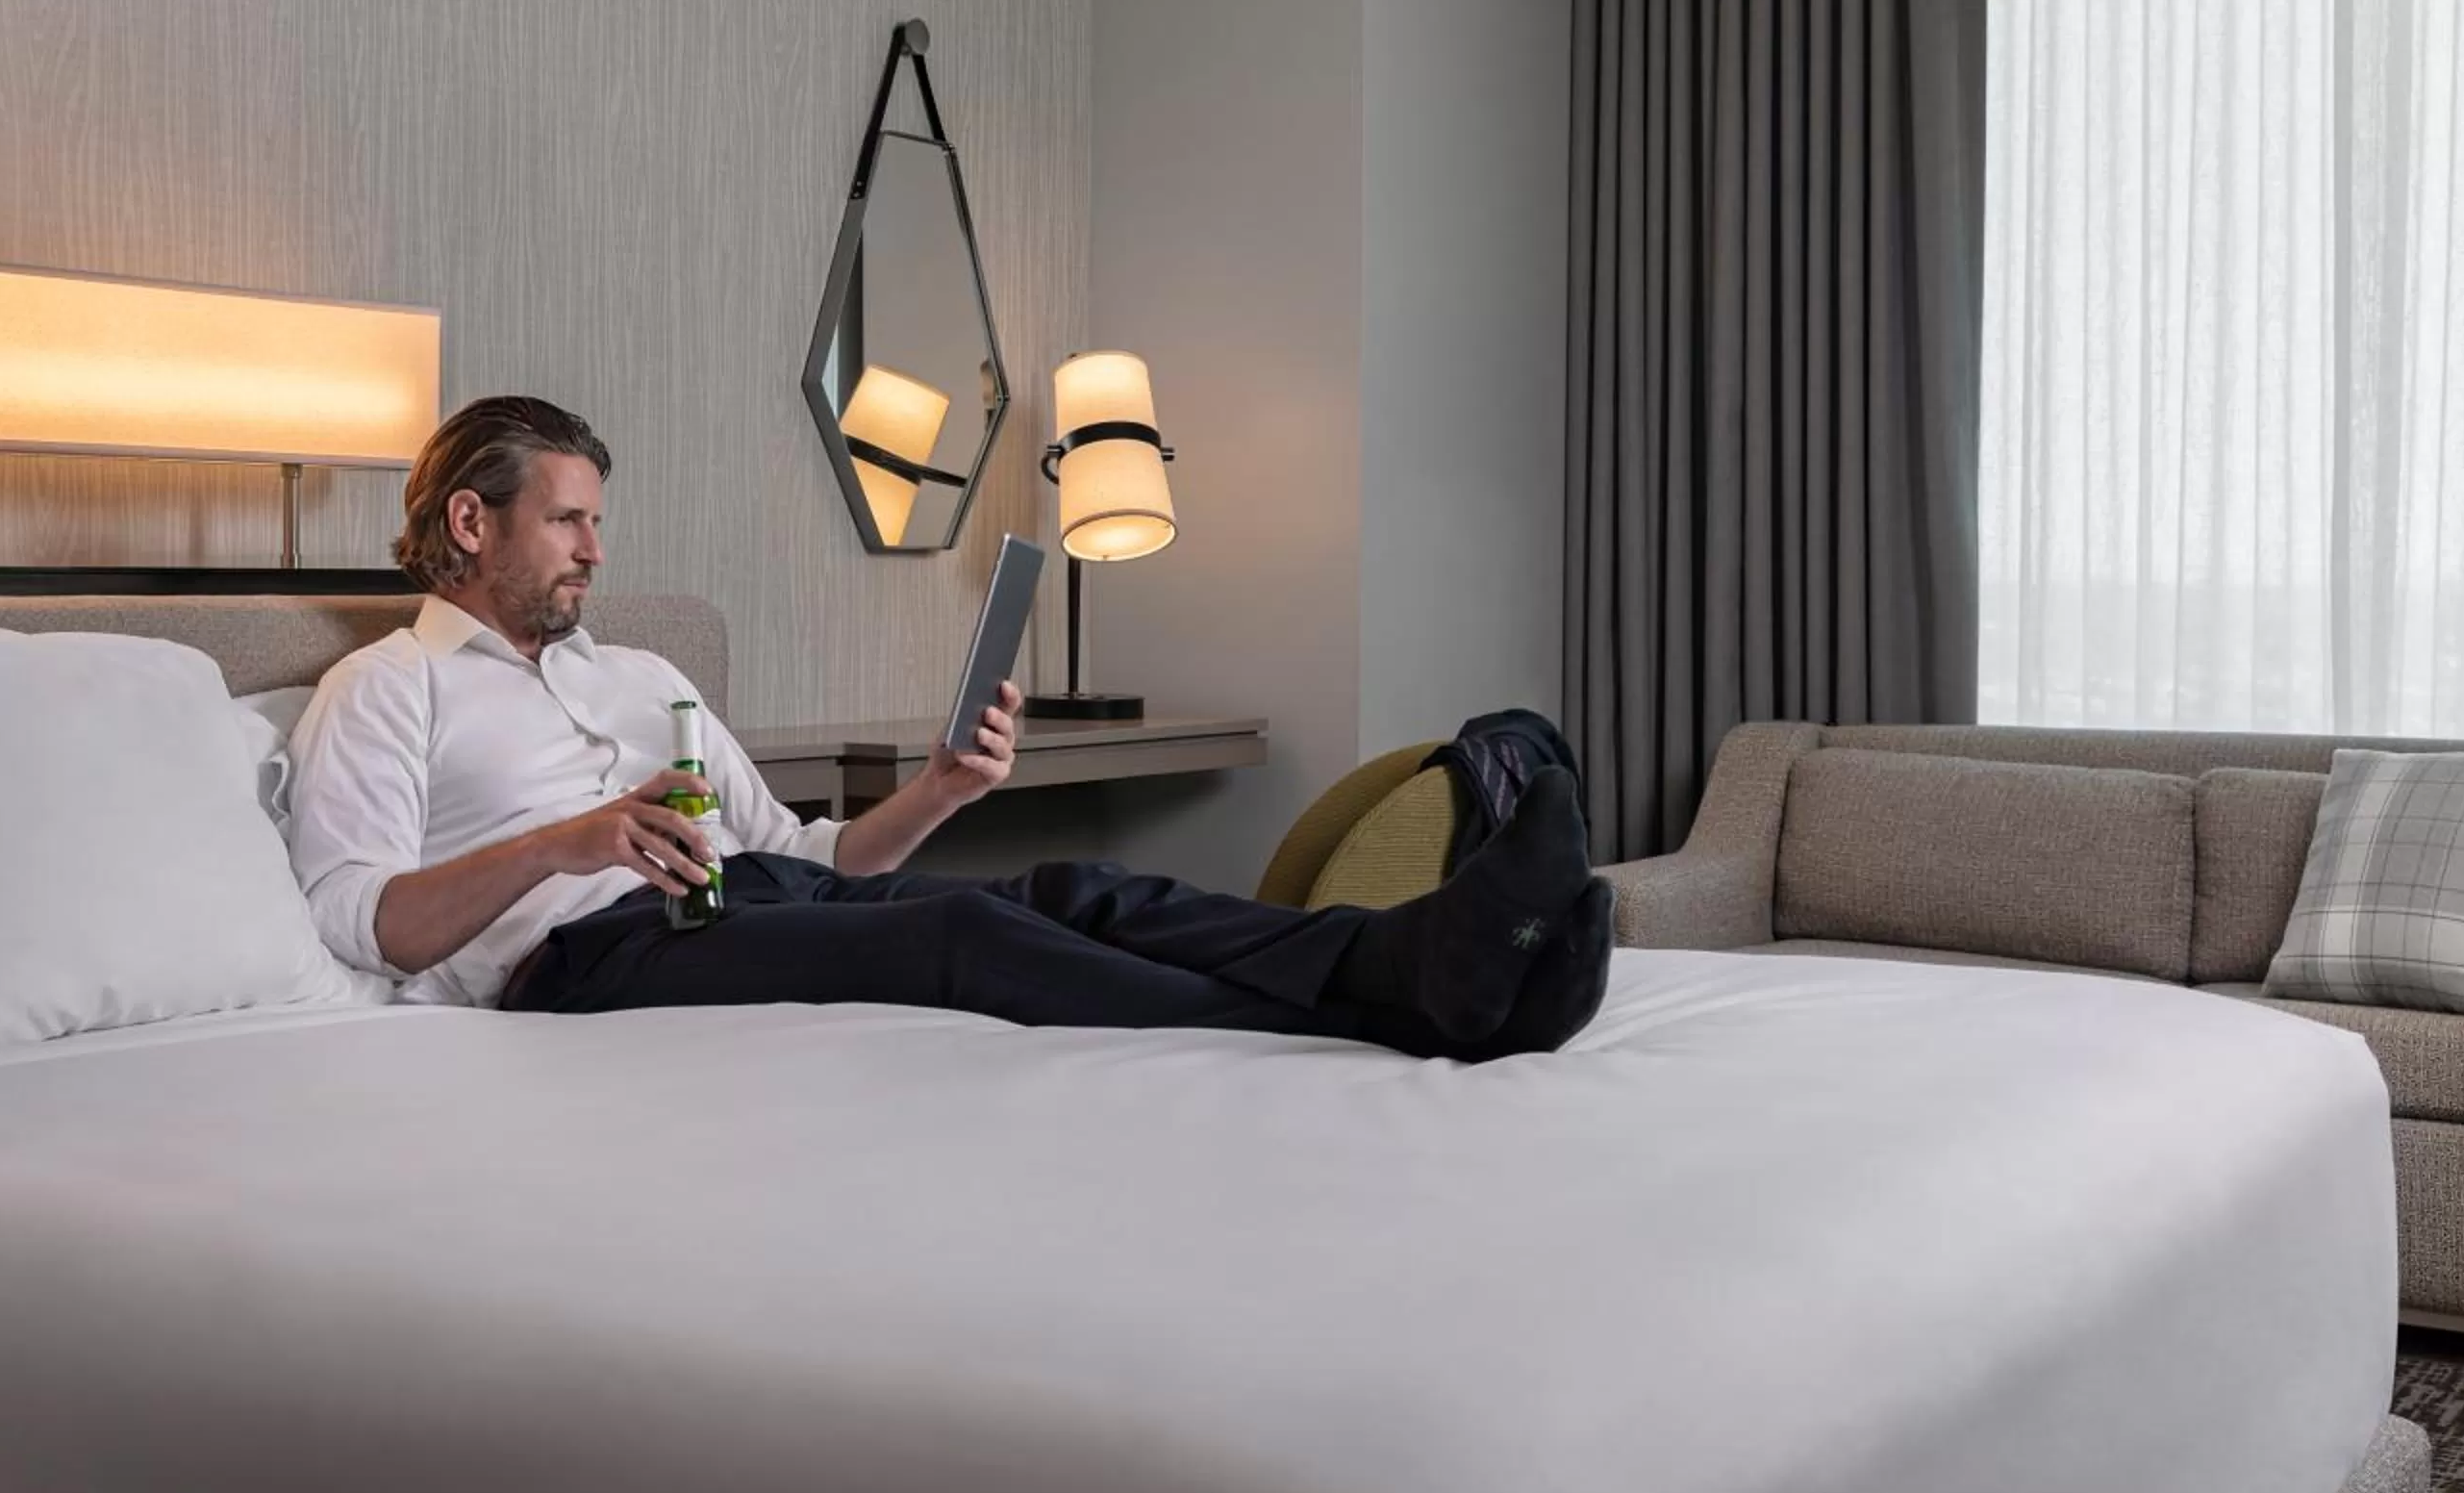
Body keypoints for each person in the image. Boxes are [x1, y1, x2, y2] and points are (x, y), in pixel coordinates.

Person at [289, 396, 1614, 1060]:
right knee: (967, 933)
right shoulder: (387, 690)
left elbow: (818, 863)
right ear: (472, 523)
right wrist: (568, 843)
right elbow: (369, 924)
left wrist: (937, 788)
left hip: (738, 902)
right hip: (576, 969)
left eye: (595, 519)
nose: (594, 548)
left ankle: (1408, 956)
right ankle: (1387, 1018)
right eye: (567, 520)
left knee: (1069, 887)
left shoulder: (643, 676)